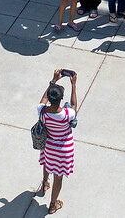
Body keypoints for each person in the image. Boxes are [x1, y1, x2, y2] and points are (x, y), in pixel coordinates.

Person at [37, 69, 78, 214]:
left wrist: (53, 81)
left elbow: (42, 101)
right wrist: (74, 85)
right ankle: (53, 205)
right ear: (61, 99)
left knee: (47, 163)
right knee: (58, 178)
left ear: (49, 97)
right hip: (63, 150)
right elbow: (74, 106)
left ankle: (44, 183)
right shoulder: (67, 114)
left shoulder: (43, 112)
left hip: (49, 145)